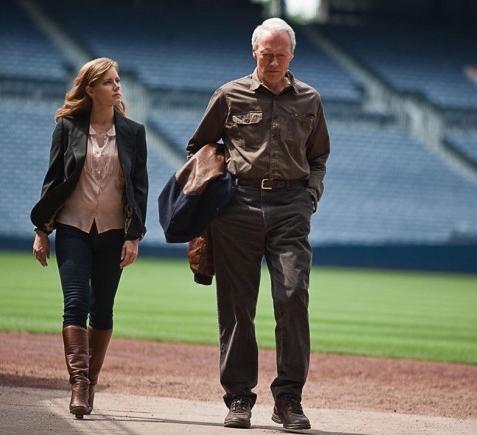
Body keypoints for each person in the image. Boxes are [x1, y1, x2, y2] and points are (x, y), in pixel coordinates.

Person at [187, 17, 330, 431]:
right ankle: (238, 398)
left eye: (279, 55)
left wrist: (309, 198)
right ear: (255, 52)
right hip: (238, 207)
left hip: (291, 207)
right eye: (266, 54)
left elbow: (318, 157)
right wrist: (214, 194)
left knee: (292, 296)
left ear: (292, 56)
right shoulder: (229, 95)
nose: (272, 61)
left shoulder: (310, 100)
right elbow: (199, 146)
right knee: (236, 306)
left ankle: (288, 399)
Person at [30, 57, 148, 419]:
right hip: (72, 227)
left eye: (118, 81)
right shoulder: (67, 127)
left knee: (103, 309)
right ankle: (79, 384)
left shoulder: (133, 132)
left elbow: (138, 189)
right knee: (75, 304)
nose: (117, 87)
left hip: (114, 232)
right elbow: (53, 182)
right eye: (109, 82)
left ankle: (91, 380)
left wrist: (134, 236)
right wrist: (41, 231)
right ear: (91, 88)